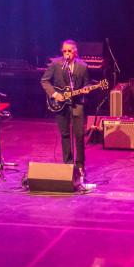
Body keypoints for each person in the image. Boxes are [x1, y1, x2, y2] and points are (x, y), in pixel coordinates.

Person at [41, 39, 89, 178]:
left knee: (79, 135)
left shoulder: (83, 66)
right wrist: (55, 94)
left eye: (69, 51)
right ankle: (68, 165)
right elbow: (44, 81)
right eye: (64, 51)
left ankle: (80, 166)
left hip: (77, 104)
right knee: (65, 135)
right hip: (60, 105)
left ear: (75, 52)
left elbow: (86, 84)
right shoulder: (56, 64)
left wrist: (85, 90)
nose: (66, 53)